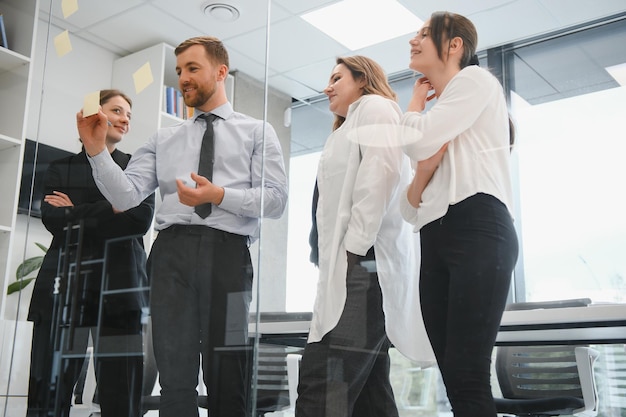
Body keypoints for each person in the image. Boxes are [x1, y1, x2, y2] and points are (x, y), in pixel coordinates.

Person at [76, 36, 288, 417]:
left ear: (221, 72)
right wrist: (96, 153)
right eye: (178, 71)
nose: (183, 78)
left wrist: (219, 195)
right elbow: (125, 197)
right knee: (174, 374)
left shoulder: (257, 131)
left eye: (192, 68)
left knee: (228, 372)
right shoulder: (163, 138)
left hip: (228, 258)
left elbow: (276, 199)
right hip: (171, 256)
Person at [296, 55, 434, 417]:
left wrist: (352, 252)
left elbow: (380, 177)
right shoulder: (347, 127)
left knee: (323, 385)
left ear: (362, 79)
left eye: (337, 77)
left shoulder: (376, 109)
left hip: (364, 266)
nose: (328, 86)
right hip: (354, 267)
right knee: (370, 397)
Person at [399, 11, 519, 417]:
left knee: (466, 375)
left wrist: (415, 107)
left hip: (479, 227)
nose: (413, 41)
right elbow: (408, 208)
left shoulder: (476, 81)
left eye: (423, 34)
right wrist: (425, 172)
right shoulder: (446, 113)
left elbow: (417, 142)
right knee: (454, 378)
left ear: (454, 46)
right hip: (435, 238)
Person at [27, 89, 155, 417]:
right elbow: (56, 220)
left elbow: (138, 220)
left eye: (129, 114)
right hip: (65, 286)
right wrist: (112, 209)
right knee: (48, 392)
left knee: (120, 394)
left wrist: (78, 210)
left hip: (120, 288)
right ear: (93, 114)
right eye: (117, 110)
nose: (125, 118)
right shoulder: (60, 168)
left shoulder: (137, 168)